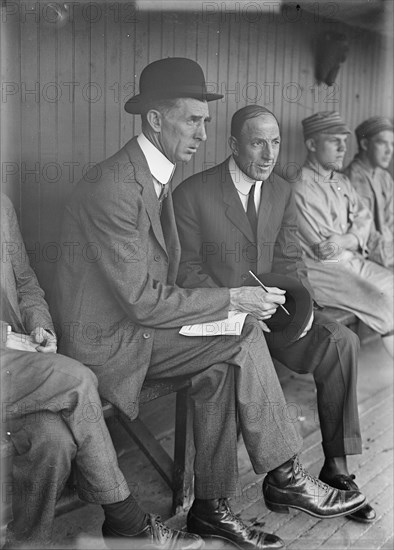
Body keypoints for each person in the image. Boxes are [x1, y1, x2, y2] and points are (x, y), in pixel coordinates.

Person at [51, 59, 365, 550]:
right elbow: (143, 302)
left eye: (205, 120)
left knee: (220, 367)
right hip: (108, 342)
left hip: (141, 327)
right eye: (191, 119)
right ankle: (285, 475)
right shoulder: (115, 185)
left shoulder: (153, 175)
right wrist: (234, 300)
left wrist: (239, 306)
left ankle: (210, 510)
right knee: (237, 331)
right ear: (155, 119)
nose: (203, 132)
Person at [172, 104, 375, 524]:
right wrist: (238, 302)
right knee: (235, 361)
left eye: (276, 143)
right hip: (222, 318)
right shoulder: (192, 193)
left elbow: (289, 263)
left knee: (341, 340)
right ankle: (267, 486)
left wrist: (295, 311)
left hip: (273, 314)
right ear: (232, 144)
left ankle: (336, 469)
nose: (269, 154)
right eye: (257, 143)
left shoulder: (282, 191)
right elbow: (186, 270)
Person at [0, 192, 204, 549]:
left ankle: (26, 543)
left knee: (54, 441)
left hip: (22, 371)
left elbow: (26, 283)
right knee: (78, 380)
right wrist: (6, 338)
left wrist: (41, 329)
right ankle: (126, 520)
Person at [292, 111, 394, 357]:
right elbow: (324, 249)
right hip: (322, 270)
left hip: (351, 261)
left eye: (345, 142)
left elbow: (364, 220)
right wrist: (349, 239)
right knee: (383, 302)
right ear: (312, 144)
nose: (342, 148)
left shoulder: (340, 180)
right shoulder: (300, 185)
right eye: (334, 141)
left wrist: (345, 239)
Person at [344, 116, 394, 269]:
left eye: (392, 144)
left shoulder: (384, 177)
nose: (389, 151)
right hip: (367, 256)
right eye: (382, 143)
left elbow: (391, 221)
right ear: (365, 144)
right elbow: (366, 234)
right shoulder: (350, 179)